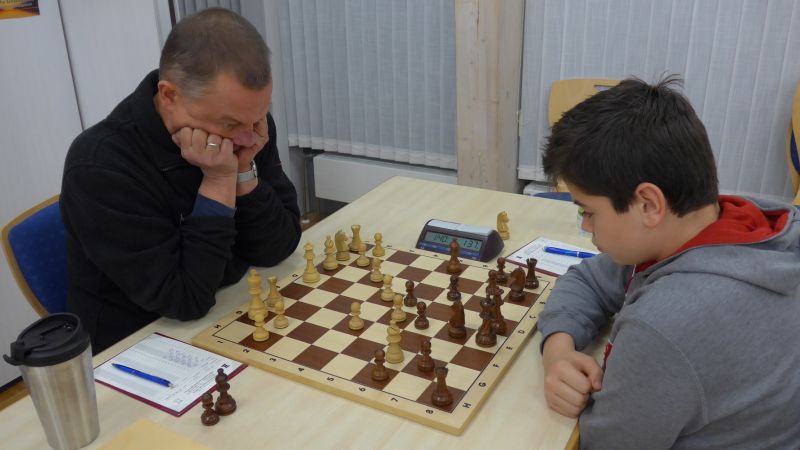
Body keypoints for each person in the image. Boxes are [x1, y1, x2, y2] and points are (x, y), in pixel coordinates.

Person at [539, 76, 800, 448]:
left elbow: (603, 444)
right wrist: (558, 350)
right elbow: (586, 281)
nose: (585, 226)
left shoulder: (662, 327)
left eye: (588, 212)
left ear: (649, 205)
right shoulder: (731, 227)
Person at [61, 8, 301, 353]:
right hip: (135, 346)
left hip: (230, 309)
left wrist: (243, 174)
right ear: (170, 97)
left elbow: (277, 248)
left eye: (258, 117)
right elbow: (185, 299)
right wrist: (219, 180)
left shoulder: (246, 127)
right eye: (230, 124)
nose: (250, 137)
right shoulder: (100, 165)